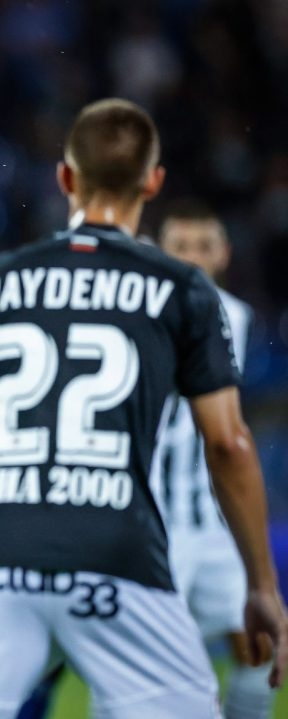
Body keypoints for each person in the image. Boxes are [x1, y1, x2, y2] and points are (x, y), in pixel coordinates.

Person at [0, 98, 288, 717]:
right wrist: (263, 585)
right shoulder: (182, 290)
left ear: (66, 178)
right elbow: (229, 443)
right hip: (121, 549)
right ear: (153, 181)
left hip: (2, 553)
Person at [150, 201, 272, 718]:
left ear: (223, 253)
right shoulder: (141, 311)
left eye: (204, 246)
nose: (194, 257)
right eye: (182, 246)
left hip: (215, 523)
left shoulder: (237, 317)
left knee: (260, 648)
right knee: (147, 666)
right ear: (161, 252)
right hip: (156, 522)